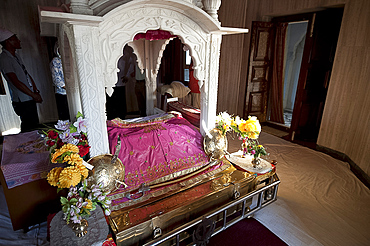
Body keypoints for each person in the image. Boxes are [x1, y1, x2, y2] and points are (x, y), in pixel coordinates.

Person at [0, 28, 42, 132]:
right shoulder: (4, 58)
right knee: (29, 126)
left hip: (29, 97)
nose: (19, 41)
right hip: (22, 100)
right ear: (7, 42)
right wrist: (33, 95)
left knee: (34, 125)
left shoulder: (16, 56)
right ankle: (27, 147)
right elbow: (15, 81)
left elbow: (26, 74)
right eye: (15, 39)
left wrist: (35, 90)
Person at [106, 44, 135, 120]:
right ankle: (111, 119)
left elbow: (131, 64)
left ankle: (121, 118)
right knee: (111, 102)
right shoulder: (107, 52)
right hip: (109, 82)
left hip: (120, 82)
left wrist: (127, 75)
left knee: (120, 102)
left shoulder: (126, 54)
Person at [50, 42, 70, 120]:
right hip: (62, 93)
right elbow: (57, 79)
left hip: (72, 93)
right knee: (65, 117)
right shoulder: (55, 61)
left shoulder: (69, 61)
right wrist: (68, 88)